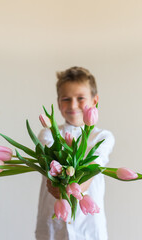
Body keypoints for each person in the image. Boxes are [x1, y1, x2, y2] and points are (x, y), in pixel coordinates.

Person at [35, 66, 115, 240]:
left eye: (80, 98)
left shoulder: (102, 137)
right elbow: (52, 162)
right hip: (52, 229)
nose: (73, 105)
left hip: (89, 228)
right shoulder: (47, 134)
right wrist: (59, 186)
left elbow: (94, 165)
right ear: (58, 102)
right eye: (66, 99)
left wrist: (71, 188)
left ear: (95, 101)